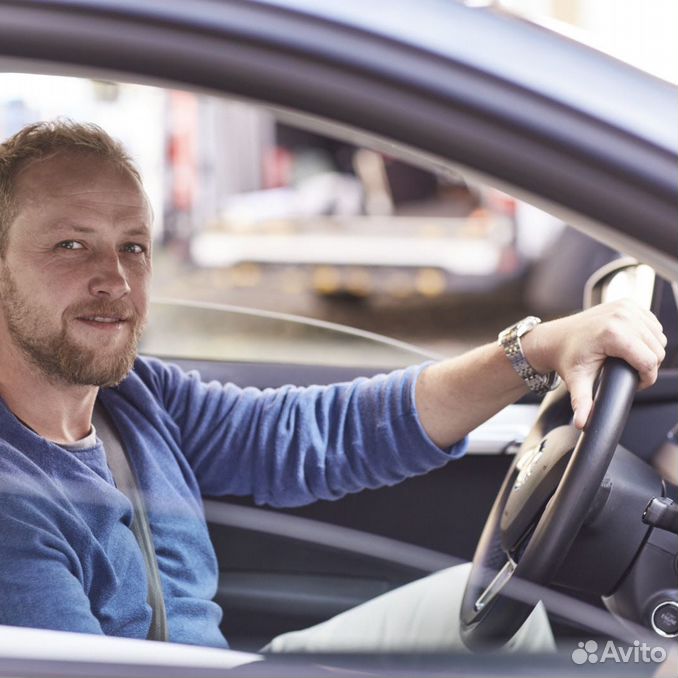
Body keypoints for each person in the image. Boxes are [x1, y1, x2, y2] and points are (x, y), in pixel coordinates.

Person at [0, 121, 667, 653]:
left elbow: (314, 435)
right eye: (71, 246)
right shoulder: (12, 500)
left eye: (134, 246)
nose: (114, 279)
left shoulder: (135, 400)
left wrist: (535, 349)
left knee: (541, 621)